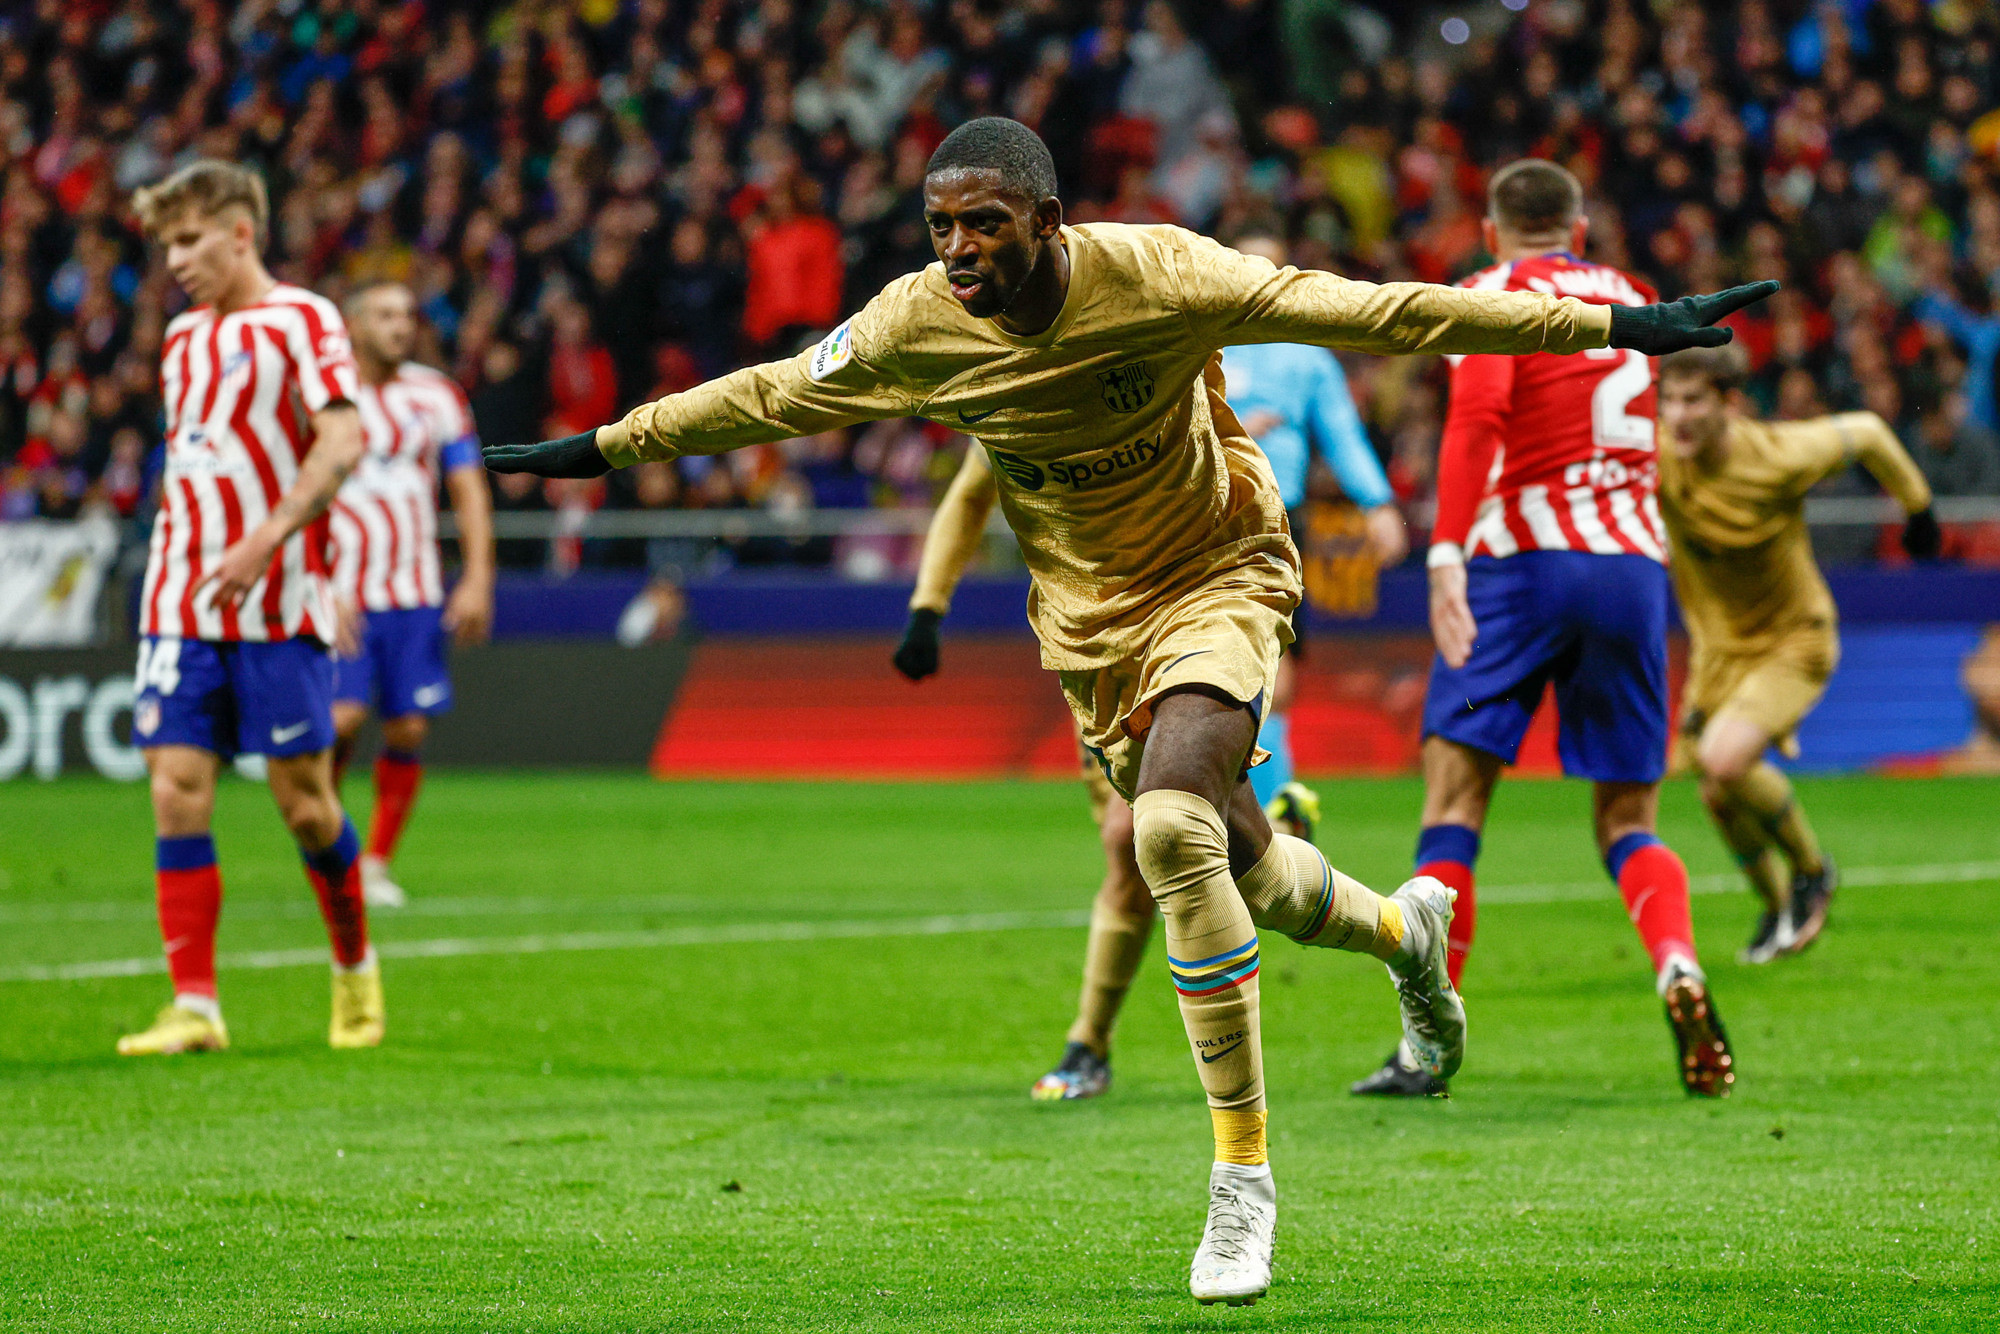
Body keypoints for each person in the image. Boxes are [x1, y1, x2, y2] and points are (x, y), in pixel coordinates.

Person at [486, 118, 1771, 1306]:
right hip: (1085, 623)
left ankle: (1240, 1183)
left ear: (1047, 217)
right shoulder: (910, 324)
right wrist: (606, 447)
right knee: (1248, 873)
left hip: (1220, 570)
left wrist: (1615, 327)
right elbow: (768, 393)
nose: (958, 249)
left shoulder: (1156, 271)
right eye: (940, 227)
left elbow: (1367, 311)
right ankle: (1404, 938)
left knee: (1163, 832)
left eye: (983, 222)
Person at [1354, 159, 1736, 1102]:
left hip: (1518, 570)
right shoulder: (1634, 296)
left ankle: (1427, 1047)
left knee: (1456, 801)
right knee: (1628, 818)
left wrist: (1446, 556)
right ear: (1580, 224)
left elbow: (1478, 417)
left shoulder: (1491, 293)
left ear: (1492, 228)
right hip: (1630, 570)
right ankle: (1678, 963)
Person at [118, 160, 383, 1056]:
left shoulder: (303, 320)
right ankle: (195, 1005)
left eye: (188, 240)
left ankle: (354, 968)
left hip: (278, 598)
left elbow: (342, 439)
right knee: (175, 789)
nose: (175, 261)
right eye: (166, 245)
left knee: (305, 805)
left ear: (241, 230)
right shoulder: (184, 338)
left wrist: (274, 540)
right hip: (180, 597)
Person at [1654, 345, 1938, 961]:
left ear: (1729, 405)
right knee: (1713, 791)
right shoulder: (1654, 454)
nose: (1678, 415)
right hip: (1719, 652)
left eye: (1694, 400)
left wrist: (1918, 508)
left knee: (1724, 760)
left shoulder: (1776, 456)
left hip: (1794, 638)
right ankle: (1776, 906)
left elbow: (1866, 432)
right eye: (1669, 400)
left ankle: (1812, 870)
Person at [892, 446, 1153, 1104]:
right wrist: (929, 605)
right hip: (1091, 655)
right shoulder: (1018, 387)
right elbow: (971, 493)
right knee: (1149, 850)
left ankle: (1093, 1043)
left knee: (1145, 837)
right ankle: (1090, 1044)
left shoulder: (1151, 361)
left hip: (1186, 626)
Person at [1218, 229, 1410, 840]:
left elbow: (1343, 436)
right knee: (1223, 672)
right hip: (1201, 524)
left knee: (1277, 674)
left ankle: (1277, 806)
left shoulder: (1305, 358)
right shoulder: (1199, 348)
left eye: (1268, 269)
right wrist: (1232, 429)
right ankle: (1267, 806)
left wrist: (1378, 504)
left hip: (1279, 526)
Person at [327, 281, 496, 909]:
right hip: (339, 590)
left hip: (414, 590)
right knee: (342, 720)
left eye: (407, 314)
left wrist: (477, 577)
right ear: (353, 325)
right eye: (385, 315)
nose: (402, 326)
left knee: (406, 727)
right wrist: (311, 578)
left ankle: (372, 864)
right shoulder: (322, 396)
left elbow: (468, 489)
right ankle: (329, 846)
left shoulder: (438, 396)